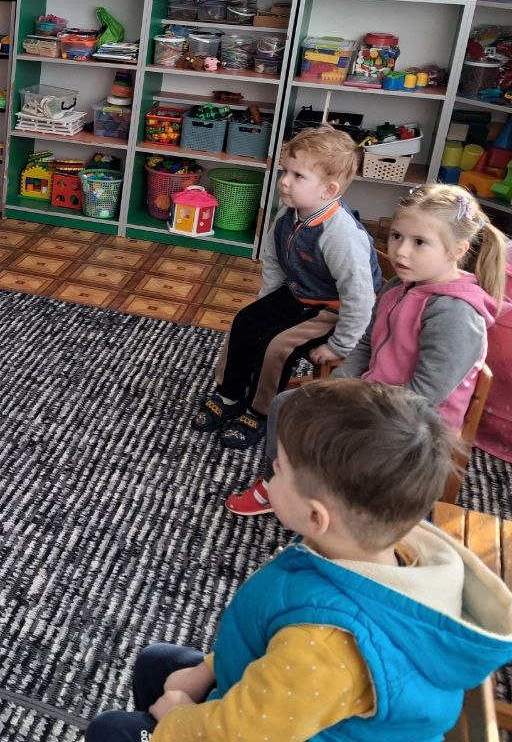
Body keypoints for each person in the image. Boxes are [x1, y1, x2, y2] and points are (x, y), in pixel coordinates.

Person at [86, 379, 512, 742]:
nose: (270, 471)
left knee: (112, 730)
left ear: (315, 516)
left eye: (279, 468)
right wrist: (206, 671)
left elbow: (239, 734)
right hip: (281, 695)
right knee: (157, 662)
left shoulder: (325, 649)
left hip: (258, 726)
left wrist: (175, 718)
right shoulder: (369, 549)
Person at [227, 183, 507, 516]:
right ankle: (278, 484)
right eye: (397, 236)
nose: (401, 252)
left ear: (457, 250)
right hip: (375, 396)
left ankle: (330, 507)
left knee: (326, 434)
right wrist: (339, 385)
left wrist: (355, 406)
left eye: (419, 242)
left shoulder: (455, 314)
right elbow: (366, 343)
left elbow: (424, 396)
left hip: (414, 425)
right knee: (286, 404)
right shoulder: (398, 286)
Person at [194, 126, 380, 448]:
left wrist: (340, 345)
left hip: (333, 308)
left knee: (277, 345)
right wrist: (265, 303)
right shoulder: (288, 212)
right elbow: (273, 257)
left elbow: (359, 298)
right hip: (298, 293)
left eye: (298, 176)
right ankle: (230, 395)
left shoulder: (341, 235)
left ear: (328, 190)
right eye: (285, 171)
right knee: (245, 322)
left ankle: (261, 412)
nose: (284, 181)